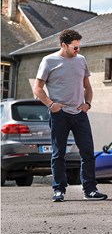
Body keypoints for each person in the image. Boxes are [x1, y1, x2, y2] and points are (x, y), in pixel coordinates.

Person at [33, 29, 107, 202]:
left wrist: (87, 104)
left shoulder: (81, 60)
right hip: (60, 115)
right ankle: (59, 190)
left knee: (88, 153)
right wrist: (51, 105)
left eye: (79, 47)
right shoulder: (49, 61)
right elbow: (37, 88)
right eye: (75, 47)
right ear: (64, 45)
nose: (78, 51)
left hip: (79, 114)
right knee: (59, 154)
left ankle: (90, 190)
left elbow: (87, 86)